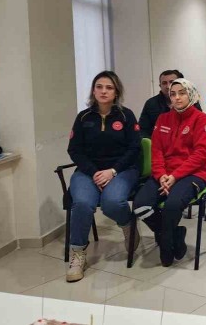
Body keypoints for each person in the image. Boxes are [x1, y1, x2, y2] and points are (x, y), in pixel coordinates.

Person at [66, 71, 141, 282]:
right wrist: (94, 172)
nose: (103, 91)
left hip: (122, 170)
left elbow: (134, 149)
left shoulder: (126, 116)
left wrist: (112, 171)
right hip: (88, 172)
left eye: (109, 87)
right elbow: (74, 150)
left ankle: (127, 224)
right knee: (82, 204)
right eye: (99, 87)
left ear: (116, 92)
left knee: (112, 203)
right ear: (93, 90)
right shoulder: (83, 117)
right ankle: (78, 254)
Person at [133, 79, 206, 267]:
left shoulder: (202, 119)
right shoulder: (163, 119)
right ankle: (174, 235)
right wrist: (161, 175)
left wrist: (175, 176)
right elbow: (157, 151)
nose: (177, 97)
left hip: (192, 174)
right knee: (140, 205)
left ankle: (166, 248)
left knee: (172, 205)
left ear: (191, 94)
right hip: (164, 174)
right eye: (173, 94)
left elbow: (200, 155)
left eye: (182, 93)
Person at [139, 69, 184, 138]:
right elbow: (143, 130)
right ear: (160, 86)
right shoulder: (151, 104)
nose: (168, 86)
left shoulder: (191, 102)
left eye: (172, 82)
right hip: (158, 142)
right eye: (164, 83)